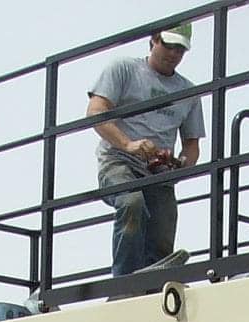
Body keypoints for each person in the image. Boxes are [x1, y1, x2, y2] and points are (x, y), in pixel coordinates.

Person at [87, 23, 205, 277]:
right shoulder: (124, 69)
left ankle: (153, 281)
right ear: (154, 40)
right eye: (169, 45)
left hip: (159, 174)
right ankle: (124, 281)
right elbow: (96, 112)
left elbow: (192, 145)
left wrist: (180, 164)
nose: (174, 53)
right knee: (132, 203)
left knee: (163, 227)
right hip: (118, 161)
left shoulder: (189, 92)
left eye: (180, 49)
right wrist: (129, 144)